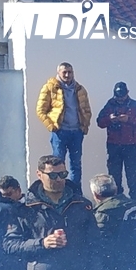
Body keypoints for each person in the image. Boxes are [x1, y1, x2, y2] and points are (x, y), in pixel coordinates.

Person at [36, 63, 91, 191]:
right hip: (60, 133)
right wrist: (51, 126)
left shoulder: (80, 89)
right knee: (57, 165)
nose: (67, 75)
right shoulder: (50, 87)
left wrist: (84, 125)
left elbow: (87, 110)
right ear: (58, 72)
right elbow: (40, 110)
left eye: (70, 72)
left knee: (76, 165)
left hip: (77, 132)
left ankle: (75, 193)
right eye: (64, 72)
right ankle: (58, 192)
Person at [95, 82, 136, 201]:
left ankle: (135, 203)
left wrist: (128, 119)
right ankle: (116, 203)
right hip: (114, 146)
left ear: (127, 93)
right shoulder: (109, 105)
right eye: (118, 96)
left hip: (132, 146)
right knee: (114, 179)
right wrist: (110, 119)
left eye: (122, 96)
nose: (120, 99)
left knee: (133, 178)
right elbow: (99, 122)